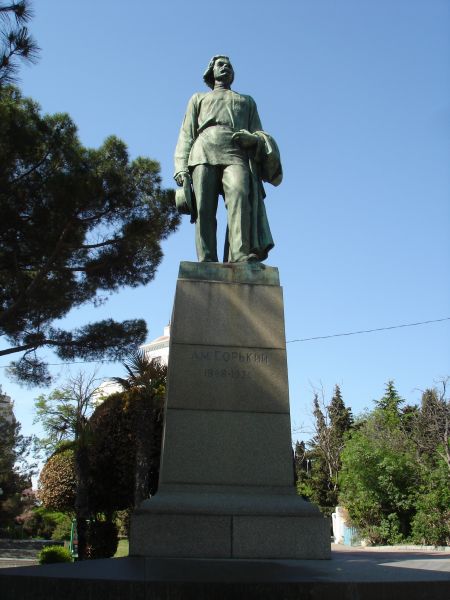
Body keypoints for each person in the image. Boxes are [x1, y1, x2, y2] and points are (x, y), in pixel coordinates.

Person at [174, 55, 282, 263]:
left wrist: (253, 139)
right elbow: (186, 134)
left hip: (236, 154)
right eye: (221, 65)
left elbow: (259, 132)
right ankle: (206, 259)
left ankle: (240, 255)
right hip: (203, 152)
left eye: (229, 66)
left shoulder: (246, 101)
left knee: (240, 196)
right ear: (211, 71)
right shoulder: (198, 98)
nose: (226, 68)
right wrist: (181, 168)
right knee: (204, 208)